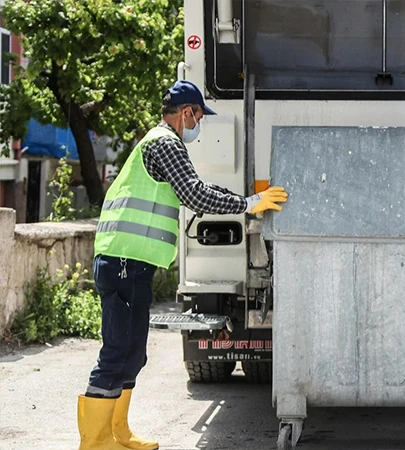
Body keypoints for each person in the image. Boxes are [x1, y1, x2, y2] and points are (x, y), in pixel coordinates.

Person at [77, 80, 288, 450]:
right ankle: (95, 442)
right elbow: (194, 194)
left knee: (133, 352)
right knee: (117, 350)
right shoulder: (164, 142)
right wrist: (249, 203)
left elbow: (199, 187)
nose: (200, 124)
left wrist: (244, 199)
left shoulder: (165, 145)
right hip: (123, 258)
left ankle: (118, 432)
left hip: (134, 262)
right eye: (200, 116)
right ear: (187, 112)